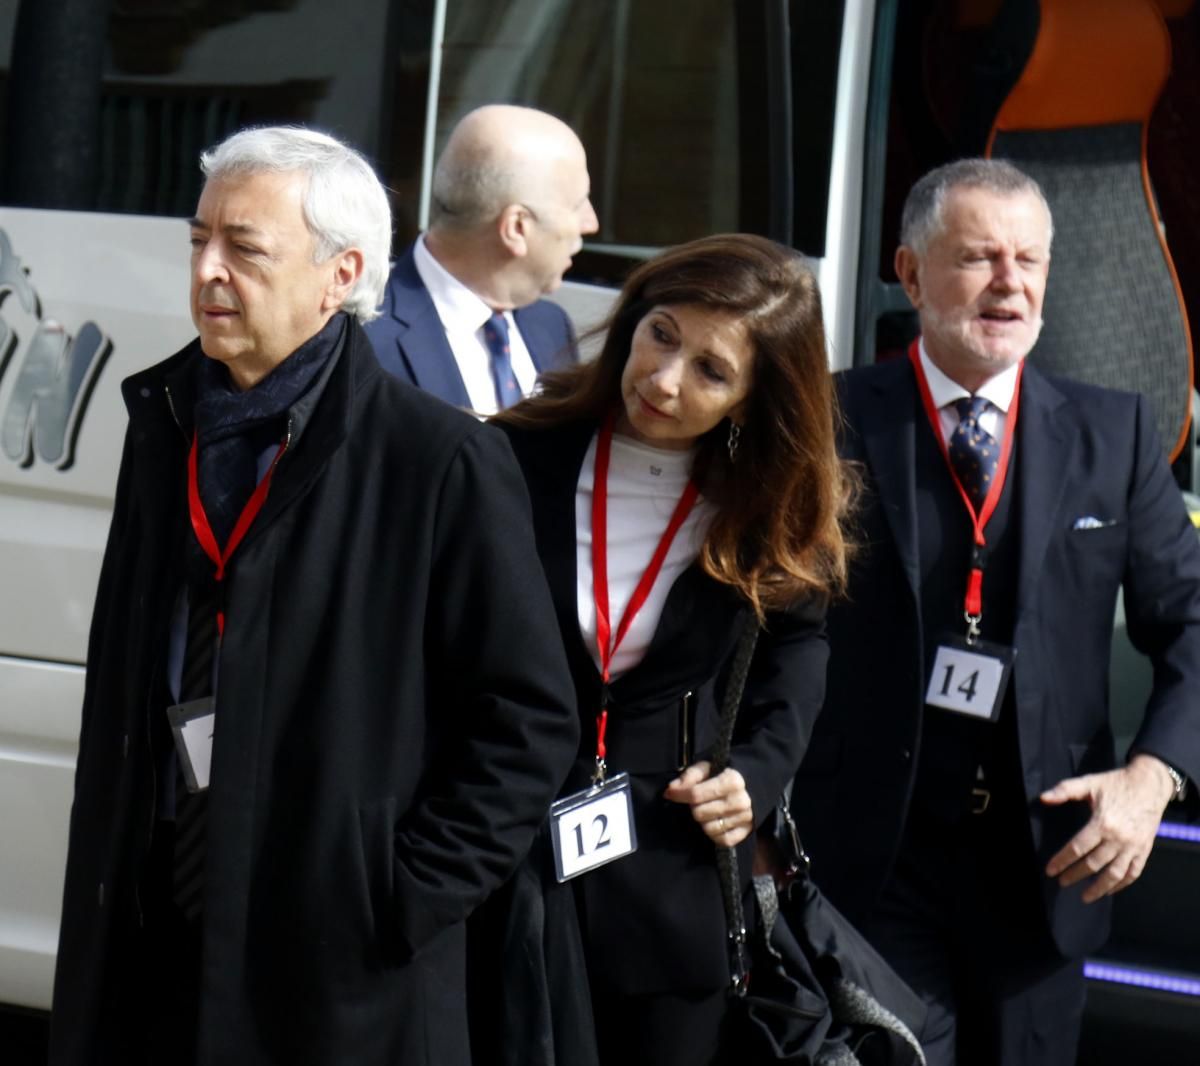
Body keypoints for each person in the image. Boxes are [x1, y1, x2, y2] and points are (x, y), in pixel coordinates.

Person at [48, 125, 579, 1066]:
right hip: (162, 925)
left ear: (343, 275)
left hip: (339, 972)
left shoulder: (440, 459)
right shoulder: (164, 420)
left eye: (244, 248)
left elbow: (528, 724)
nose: (209, 269)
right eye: (199, 239)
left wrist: (393, 899)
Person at [791, 158, 1200, 1066]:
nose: (1010, 284)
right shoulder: (831, 419)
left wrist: (1154, 778)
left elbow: (1193, 622)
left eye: (1030, 260)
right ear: (908, 271)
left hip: (1048, 863)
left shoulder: (1116, 433)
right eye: (979, 258)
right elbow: (769, 617)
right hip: (874, 859)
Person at [487, 233, 855, 1066]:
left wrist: (755, 774)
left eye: (711, 371)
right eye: (661, 334)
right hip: (504, 853)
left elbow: (800, 648)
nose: (663, 379)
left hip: (668, 870)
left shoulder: (763, 504)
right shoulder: (513, 453)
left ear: (755, 397)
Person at [367, 104, 599, 413]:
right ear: (517, 228)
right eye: (577, 204)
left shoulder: (551, 325)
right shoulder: (364, 340)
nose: (591, 222)